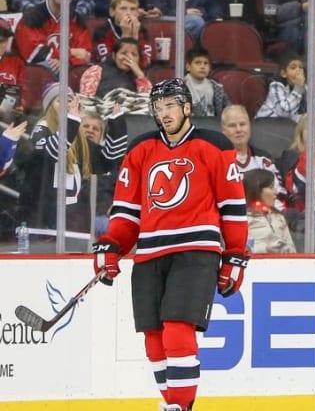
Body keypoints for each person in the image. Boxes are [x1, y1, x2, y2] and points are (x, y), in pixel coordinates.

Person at [91, 78, 249, 411]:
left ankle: (177, 405)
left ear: (187, 107)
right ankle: (177, 405)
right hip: (149, 253)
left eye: (170, 106)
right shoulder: (140, 149)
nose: (164, 114)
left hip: (196, 251)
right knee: (153, 339)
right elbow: (127, 211)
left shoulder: (215, 145)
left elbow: (233, 207)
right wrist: (112, 246)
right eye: (158, 108)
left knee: (177, 329)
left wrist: (234, 255)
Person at [17, 83, 128, 232]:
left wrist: (116, 122)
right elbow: (51, 152)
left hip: (73, 219)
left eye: (69, 100)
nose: (66, 105)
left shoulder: (78, 139)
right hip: (40, 219)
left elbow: (108, 159)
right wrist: (72, 123)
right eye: (59, 101)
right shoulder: (41, 129)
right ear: (49, 107)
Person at [220, 105, 287, 211]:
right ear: (223, 131)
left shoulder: (264, 161)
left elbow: (279, 195)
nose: (238, 130)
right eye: (232, 125)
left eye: (242, 124)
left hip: (264, 218)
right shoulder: (215, 161)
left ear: (249, 127)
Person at [13, 0, 93, 75]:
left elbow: (85, 55)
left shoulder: (76, 19)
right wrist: (71, 53)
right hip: (32, 75)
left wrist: (67, 63)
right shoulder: (32, 17)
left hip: (69, 73)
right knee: (49, 65)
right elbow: (35, 54)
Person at [255, 52, 315, 123]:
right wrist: (298, 88)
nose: (298, 71)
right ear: (284, 73)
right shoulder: (276, 86)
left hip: (290, 128)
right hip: (267, 125)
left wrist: (310, 117)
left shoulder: (308, 88)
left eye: (300, 67)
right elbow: (283, 112)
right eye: (293, 68)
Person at [92, 0, 153, 70]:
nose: (128, 13)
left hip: (135, 76)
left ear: (138, 13)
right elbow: (107, 63)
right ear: (112, 12)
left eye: (133, 9)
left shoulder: (142, 31)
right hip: (108, 78)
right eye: (123, 9)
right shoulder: (102, 31)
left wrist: (135, 37)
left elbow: (145, 63)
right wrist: (126, 36)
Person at [244, 168, 296, 254]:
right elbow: (243, 249)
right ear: (257, 189)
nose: (275, 192)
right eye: (271, 188)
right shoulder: (243, 219)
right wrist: (266, 249)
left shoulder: (279, 217)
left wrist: (286, 249)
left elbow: (293, 251)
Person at [79, 37, 152, 98]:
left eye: (134, 54)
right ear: (114, 55)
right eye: (123, 53)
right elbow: (86, 99)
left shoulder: (139, 75)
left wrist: (140, 75)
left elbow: (147, 100)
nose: (129, 58)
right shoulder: (96, 70)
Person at [183, 46, 231, 118]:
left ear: (210, 68)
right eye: (198, 63)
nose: (202, 66)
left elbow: (229, 108)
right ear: (188, 67)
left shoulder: (217, 88)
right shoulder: (180, 87)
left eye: (206, 63)